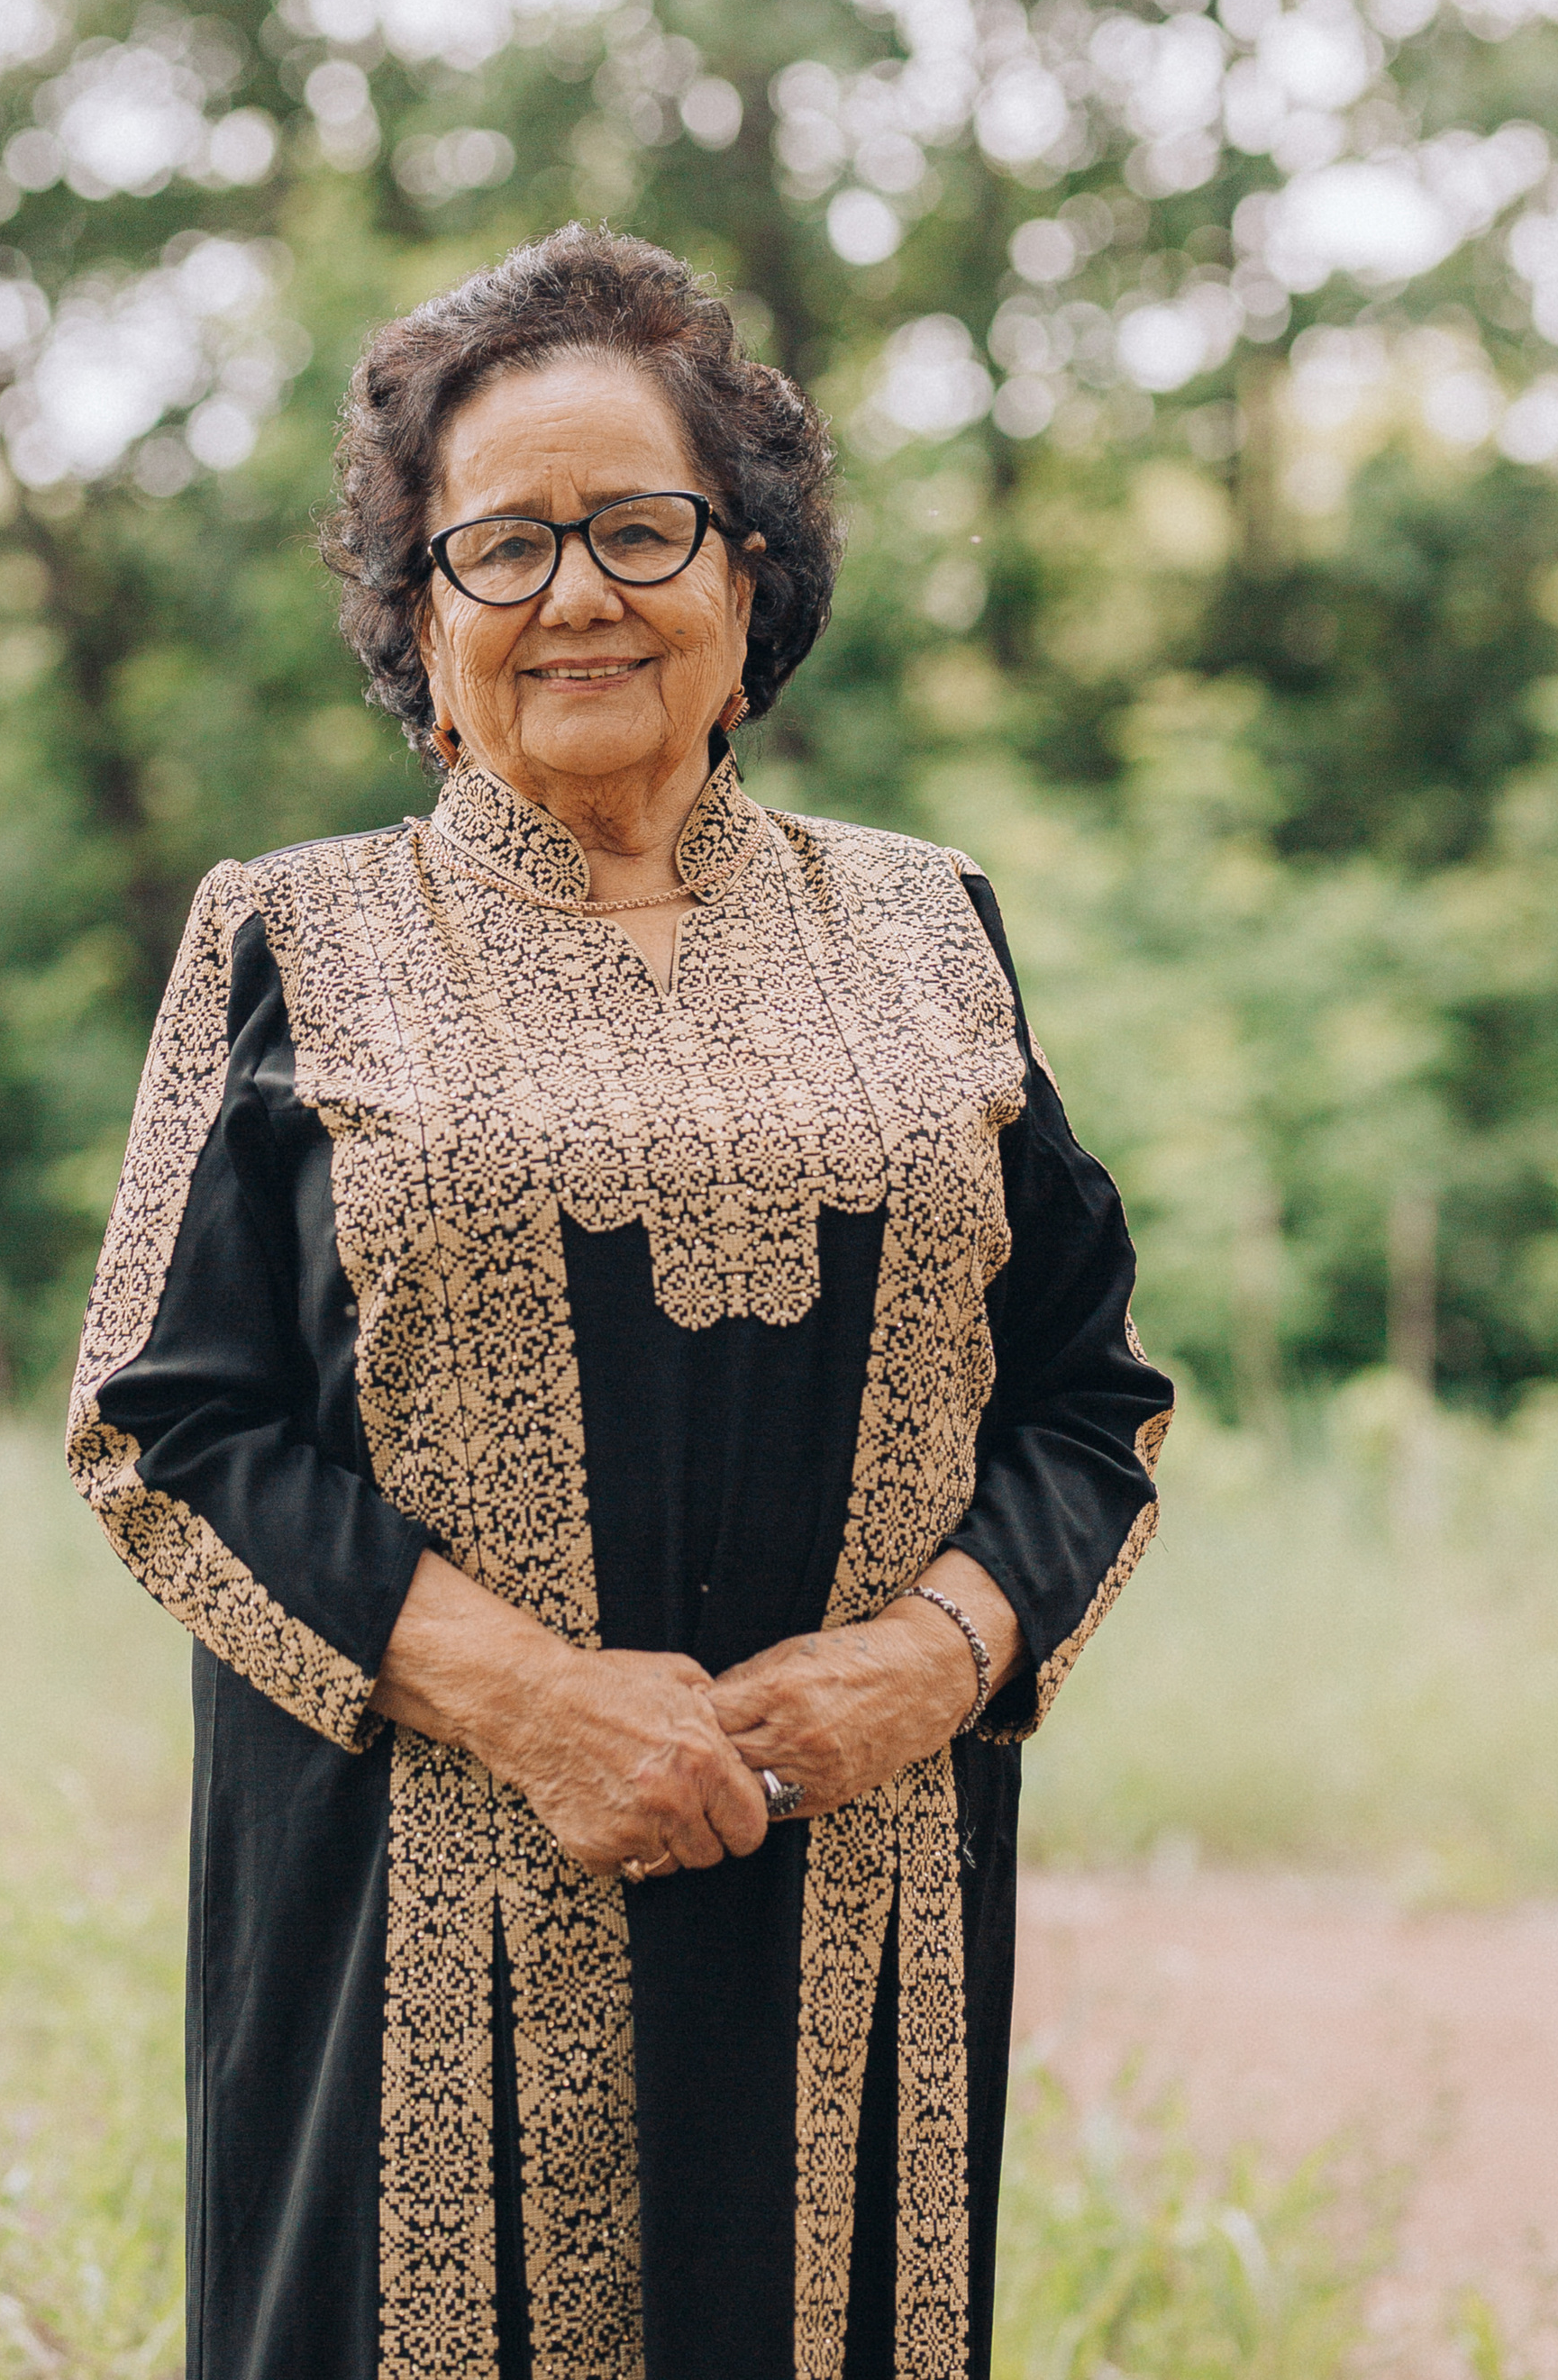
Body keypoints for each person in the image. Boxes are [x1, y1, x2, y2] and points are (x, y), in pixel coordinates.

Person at [68, 227, 1171, 2380]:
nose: (574, 593)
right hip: (415, 1907)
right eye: (497, 548)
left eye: (638, 529)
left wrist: (922, 1667)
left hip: (855, 1889)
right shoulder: (292, 935)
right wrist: (533, 1702)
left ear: (746, 583)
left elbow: (1083, 1400)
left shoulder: (930, 929)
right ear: (418, 620)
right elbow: (160, 1429)